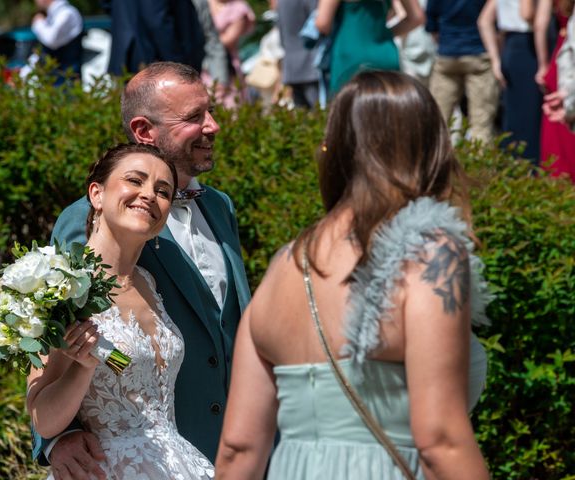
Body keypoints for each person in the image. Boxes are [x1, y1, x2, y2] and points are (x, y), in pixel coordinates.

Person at [215, 71, 491, 479]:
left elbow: (239, 450)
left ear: (337, 149)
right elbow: (441, 440)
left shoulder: (284, 266)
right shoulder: (431, 256)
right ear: (430, 148)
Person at [31, 61, 251, 479]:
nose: (213, 126)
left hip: (221, 450)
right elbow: (61, 340)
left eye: (210, 111)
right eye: (193, 117)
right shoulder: (94, 218)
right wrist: (59, 438)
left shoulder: (220, 206)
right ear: (144, 131)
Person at [27, 142, 216, 478]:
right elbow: (43, 418)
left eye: (162, 190)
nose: (148, 195)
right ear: (97, 194)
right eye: (135, 180)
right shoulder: (61, 286)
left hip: (176, 461)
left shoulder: (150, 283)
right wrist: (81, 368)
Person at [314, 0, 424, 96]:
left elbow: (323, 24)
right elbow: (417, 17)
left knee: (346, 112)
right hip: (385, 52)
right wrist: (387, 33)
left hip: (349, 54)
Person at [426, 0, 500, 143]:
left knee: (437, 122)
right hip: (479, 54)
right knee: (481, 124)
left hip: (447, 54)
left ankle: (433, 162)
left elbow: (431, 23)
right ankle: (480, 163)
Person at [478, 0, 543, 163]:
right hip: (527, 47)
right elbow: (527, 13)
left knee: (514, 118)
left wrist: (495, 60)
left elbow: (484, 20)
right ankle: (527, 172)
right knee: (528, 121)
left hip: (510, 48)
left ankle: (510, 169)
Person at [105, 0, 206, 75]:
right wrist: (179, 67)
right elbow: (157, 22)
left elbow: (106, 4)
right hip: (152, 59)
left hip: (129, 53)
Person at [534, 0, 575, 180]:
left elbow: (538, 23)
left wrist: (542, 64)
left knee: (558, 131)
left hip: (563, 56)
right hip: (566, 59)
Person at [208, 0, 256, 107]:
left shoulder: (239, 8)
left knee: (230, 102)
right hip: (204, 65)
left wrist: (204, 41)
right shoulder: (204, 3)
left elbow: (229, 40)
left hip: (228, 64)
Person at [23, 0, 83, 83]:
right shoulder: (52, 15)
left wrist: (38, 23)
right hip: (53, 82)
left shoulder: (67, 13)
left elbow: (51, 40)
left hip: (66, 84)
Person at [276, 0, 321, 108]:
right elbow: (318, 24)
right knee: (320, 111)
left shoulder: (281, 2)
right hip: (311, 63)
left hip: (291, 65)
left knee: (303, 115)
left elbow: (282, 38)